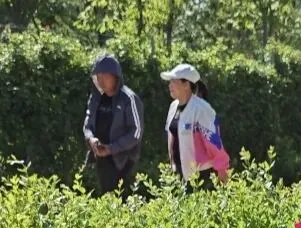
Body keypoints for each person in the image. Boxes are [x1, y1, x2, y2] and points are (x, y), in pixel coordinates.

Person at [160, 63, 229, 191]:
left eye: (173, 82)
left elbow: (214, 142)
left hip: (202, 176)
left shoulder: (202, 109)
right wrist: (171, 165)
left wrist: (222, 169)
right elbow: (171, 136)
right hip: (179, 174)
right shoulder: (173, 107)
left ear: (186, 84)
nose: (170, 86)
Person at [82, 54, 144, 195]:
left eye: (104, 75)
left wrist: (111, 148)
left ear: (115, 76)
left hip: (123, 162)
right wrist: (91, 140)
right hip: (99, 159)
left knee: (121, 200)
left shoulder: (129, 99)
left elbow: (136, 132)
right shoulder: (95, 98)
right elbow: (87, 124)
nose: (100, 80)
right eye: (98, 76)